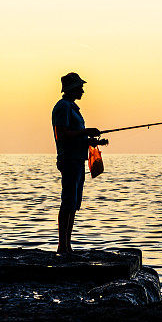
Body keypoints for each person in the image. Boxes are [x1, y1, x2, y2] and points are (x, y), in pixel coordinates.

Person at [52, 72, 102, 255]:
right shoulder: (63, 107)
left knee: (73, 203)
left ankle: (67, 246)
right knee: (68, 202)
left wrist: (92, 141)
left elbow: (75, 136)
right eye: (80, 86)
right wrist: (85, 132)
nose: (83, 90)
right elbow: (62, 134)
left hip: (78, 160)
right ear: (72, 88)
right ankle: (62, 246)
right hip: (69, 160)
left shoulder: (73, 107)